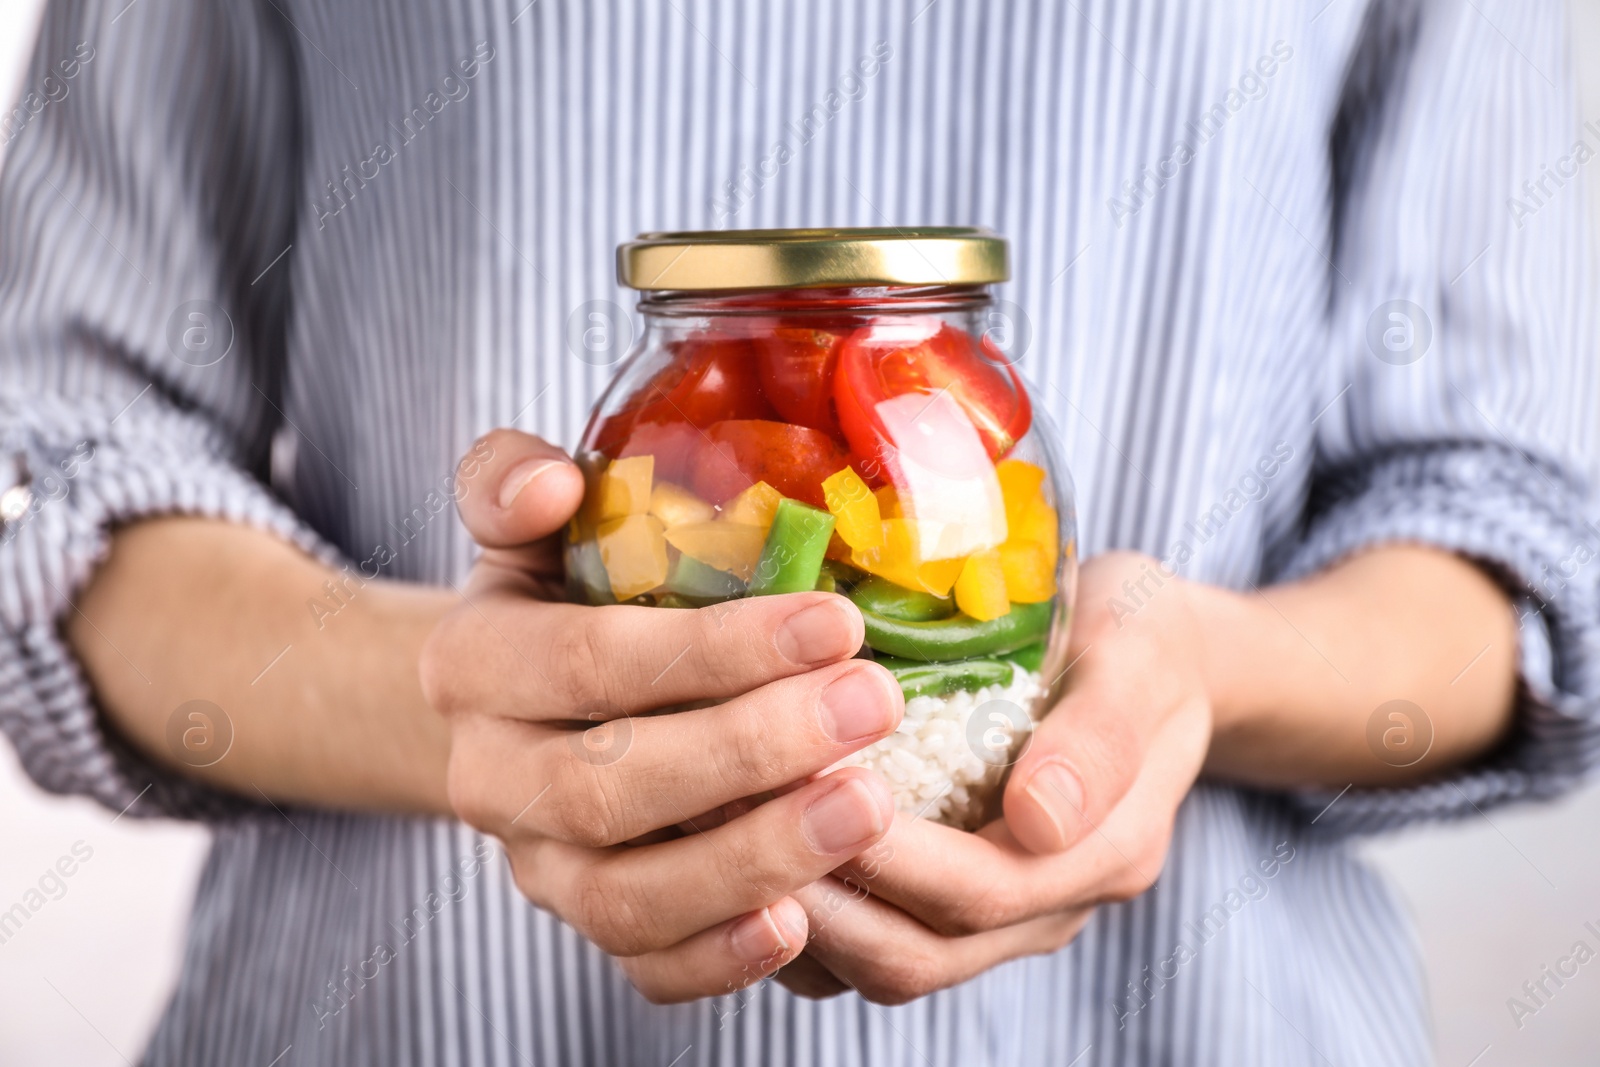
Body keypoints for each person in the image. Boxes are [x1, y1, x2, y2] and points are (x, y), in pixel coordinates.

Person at [1, 0, 1595, 1063]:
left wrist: (1203, 676)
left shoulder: (957, 395)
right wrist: (473, 705)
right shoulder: (683, 401)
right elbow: (58, 482)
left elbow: (1524, 525)